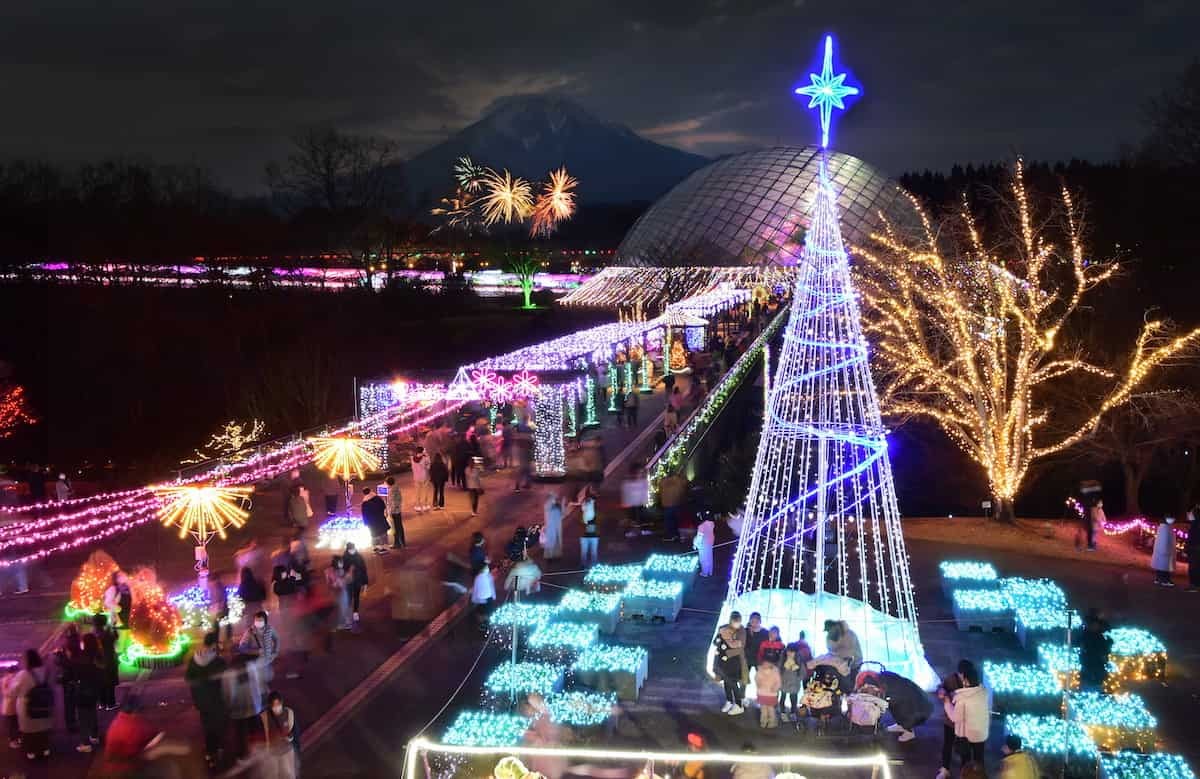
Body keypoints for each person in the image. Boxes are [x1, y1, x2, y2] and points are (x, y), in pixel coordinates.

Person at [185, 631, 228, 768]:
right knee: (219, 724)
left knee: (207, 725)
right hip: (216, 699)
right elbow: (226, 680)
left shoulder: (194, 660)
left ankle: (210, 753)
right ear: (215, 644)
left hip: (201, 700)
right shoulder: (218, 661)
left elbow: (188, 679)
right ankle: (218, 749)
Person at [942, 662, 989, 774]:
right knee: (979, 759)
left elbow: (955, 718)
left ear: (966, 681)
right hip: (981, 734)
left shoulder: (962, 699)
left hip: (967, 736)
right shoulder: (983, 693)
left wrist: (947, 703)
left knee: (966, 762)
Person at [223, 655, 266, 762]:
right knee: (254, 730)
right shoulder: (252, 668)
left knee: (239, 734)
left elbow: (229, 694)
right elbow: (260, 685)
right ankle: (257, 751)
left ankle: (241, 756)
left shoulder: (228, 674)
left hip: (238, 711)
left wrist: (228, 706)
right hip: (254, 707)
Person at [12, 649, 52, 760]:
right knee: (43, 728)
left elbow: (13, 691)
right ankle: (45, 749)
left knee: (29, 731)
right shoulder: (46, 671)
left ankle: (31, 752)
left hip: (27, 706)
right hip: (45, 705)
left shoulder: (23, 674)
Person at [934, 660, 970, 779]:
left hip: (965, 721)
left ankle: (965, 772)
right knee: (948, 744)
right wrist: (942, 693)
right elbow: (941, 689)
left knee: (965, 747)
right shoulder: (951, 680)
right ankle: (945, 769)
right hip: (950, 720)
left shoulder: (972, 681)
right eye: (962, 674)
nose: (964, 677)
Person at [878, 669, 932, 742]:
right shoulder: (896, 681)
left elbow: (894, 702)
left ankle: (909, 732)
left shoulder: (896, 690)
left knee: (900, 709)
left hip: (919, 711)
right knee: (894, 706)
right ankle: (901, 725)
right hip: (919, 705)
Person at [714, 612, 747, 715]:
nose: (736, 624)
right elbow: (716, 641)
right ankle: (729, 700)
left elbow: (739, 646)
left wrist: (728, 641)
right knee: (726, 682)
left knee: (732, 682)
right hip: (723, 661)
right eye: (734, 621)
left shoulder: (741, 631)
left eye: (738, 622)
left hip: (734, 661)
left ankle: (739, 704)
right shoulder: (723, 628)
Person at [261, 691, 298, 779]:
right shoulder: (264, 716)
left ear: (282, 703)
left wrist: (289, 738)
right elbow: (264, 735)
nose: (276, 707)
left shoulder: (289, 713)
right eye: (274, 705)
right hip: (272, 753)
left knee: (289, 775)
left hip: (287, 751)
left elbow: (292, 732)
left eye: (278, 704)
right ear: (270, 706)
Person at [54, 624, 81, 734]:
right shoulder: (77, 642)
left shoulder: (69, 644)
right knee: (77, 703)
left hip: (69, 679)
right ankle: (78, 723)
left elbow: (67, 663)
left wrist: (59, 656)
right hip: (77, 677)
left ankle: (71, 725)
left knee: (69, 704)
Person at [237, 611, 280, 681]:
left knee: (268, 678)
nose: (258, 622)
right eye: (256, 620)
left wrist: (275, 651)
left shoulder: (270, 629)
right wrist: (254, 651)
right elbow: (241, 648)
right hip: (254, 661)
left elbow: (276, 639)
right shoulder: (250, 632)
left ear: (265, 621)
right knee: (257, 679)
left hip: (266, 660)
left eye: (260, 620)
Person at [1078, 610, 1113, 691]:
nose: (1094, 626)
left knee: (1097, 683)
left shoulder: (1100, 636)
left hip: (1097, 664)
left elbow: (1105, 650)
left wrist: (1108, 644)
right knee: (1088, 682)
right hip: (1089, 663)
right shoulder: (1086, 636)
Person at [91, 613, 120, 710]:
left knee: (101, 684)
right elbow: (115, 638)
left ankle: (102, 703)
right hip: (109, 661)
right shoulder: (106, 633)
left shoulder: (94, 634)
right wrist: (113, 627)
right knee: (110, 684)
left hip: (97, 662)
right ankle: (110, 704)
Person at [658, 470, 688, 542]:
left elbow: (660, 489)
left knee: (669, 522)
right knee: (678, 521)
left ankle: (670, 536)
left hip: (666, 505)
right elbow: (686, 484)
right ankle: (678, 536)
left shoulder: (663, 482)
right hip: (677, 503)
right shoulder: (679, 481)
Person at [344, 542, 369, 626]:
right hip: (349, 582)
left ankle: (355, 612)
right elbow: (341, 571)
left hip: (357, 581)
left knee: (356, 597)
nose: (352, 551)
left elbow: (364, 570)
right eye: (351, 549)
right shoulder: (344, 558)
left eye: (353, 549)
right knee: (349, 598)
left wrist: (365, 583)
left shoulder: (359, 557)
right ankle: (348, 614)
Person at [361, 487, 390, 555]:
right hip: (380, 519)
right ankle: (384, 548)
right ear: (370, 491)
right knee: (382, 533)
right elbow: (383, 506)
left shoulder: (365, 503)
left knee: (374, 534)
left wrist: (366, 523)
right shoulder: (377, 498)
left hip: (371, 522)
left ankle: (376, 548)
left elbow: (364, 514)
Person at [326, 555, 352, 630]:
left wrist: (344, 580)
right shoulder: (330, 571)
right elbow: (330, 583)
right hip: (338, 592)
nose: (342, 563)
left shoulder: (340, 570)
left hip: (342, 592)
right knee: (340, 607)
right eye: (340, 562)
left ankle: (346, 623)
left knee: (343, 607)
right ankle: (344, 623)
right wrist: (336, 584)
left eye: (342, 562)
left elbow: (349, 579)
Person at [779, 646, 803, 723]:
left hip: (794, 684)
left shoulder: (799, 661)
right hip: (784, 683)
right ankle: (783, 712)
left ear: (795, 653)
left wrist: (797, 679)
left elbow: (803, 673)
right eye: (788, 651)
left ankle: (793, 712)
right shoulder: (782, 660)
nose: (790, 654)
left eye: (792, 652)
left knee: (793, 699)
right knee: (783, 697)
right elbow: (778, 670)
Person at [1152, 515, 1178, 586]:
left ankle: (1158, 578)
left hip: (1162, 550)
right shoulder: (1166, 528)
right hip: (1165, 551)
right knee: (1165, 565)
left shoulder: (1163, 527)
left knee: (1160, 564)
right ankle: (1165, 580)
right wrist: (1166, 550)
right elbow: (1165, 540)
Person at [755, 660, 781, 729]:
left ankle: (772, 722)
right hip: (762, 693)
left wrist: (775, 688)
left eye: (767, 663)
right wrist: (758, 683)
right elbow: (756, 679)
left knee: (770, 709)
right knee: (763, 709)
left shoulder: (775, 672)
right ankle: (763, 721)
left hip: (771, 694)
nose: (765, 664)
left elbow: (778, 682)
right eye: (764, 663)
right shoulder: (759, 671)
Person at [578, 485, 600, 566]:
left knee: (591, 551)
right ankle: (585, 565)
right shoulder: (587, 502)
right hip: (587, 528)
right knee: (586, 551)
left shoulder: (591, 501)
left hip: (590, 529)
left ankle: (590, 565)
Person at [744, 613, 768, 679]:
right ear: (749, 621)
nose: (754, 623)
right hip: (746, 659)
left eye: (756, 621)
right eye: (752, 621)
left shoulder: (765, 633)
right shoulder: (745, 631)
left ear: (760, 622)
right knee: (743, 681)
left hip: (759, 660)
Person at [384, 476, 406, 548]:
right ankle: (402, 541)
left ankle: (397, 543)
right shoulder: (396, 488)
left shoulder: (392, 490)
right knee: (399, 527)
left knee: (395, 528)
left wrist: (390, 511)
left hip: (394, 512)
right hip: (398, 511)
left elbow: (393, 502)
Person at [542, 494, 564, 562]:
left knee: (552, 543)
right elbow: (562, 515)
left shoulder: (550, 508)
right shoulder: (549, 507)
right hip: (553, 528)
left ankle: (551, 557)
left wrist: (562, 504)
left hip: (553, 528)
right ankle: (551, 557)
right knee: (552, 543)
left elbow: (562, 515)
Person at [411, 447, 431, 512]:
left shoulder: (412, 458)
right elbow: (428, 467)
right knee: (425, 491)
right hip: (424, 477)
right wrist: (427, 456)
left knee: (417, 492)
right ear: (422, 451)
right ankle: (425, 505)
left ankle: (418, 506)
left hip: (416, 477)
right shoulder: (425, 458)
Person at [1187, 505, 1200, 592]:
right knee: (1195, 567)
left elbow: (1193, 538)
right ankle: (1195, 584)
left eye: (1190, 513)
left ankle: (1195, 585)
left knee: (1194, 567)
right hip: (1195, 547)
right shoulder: (1195, 523)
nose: (1188, 515)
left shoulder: (1196, 524)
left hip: (1195, 548)